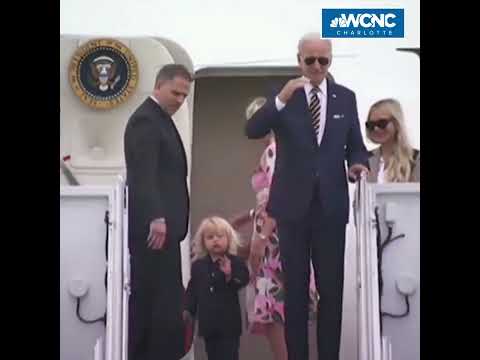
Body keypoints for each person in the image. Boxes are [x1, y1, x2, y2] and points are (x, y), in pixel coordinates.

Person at [245, 33, 369, 360]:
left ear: (330, 60)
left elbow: (356, 144)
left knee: (331, 293)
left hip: (330, 208)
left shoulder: (345, 97)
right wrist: (283, 98)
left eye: (323, 60)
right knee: (295, 294)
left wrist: (358, 164)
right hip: (291, 208)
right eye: (309, 60)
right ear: (298, 59)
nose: (316, 66)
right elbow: (253, 129)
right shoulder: (284, 97)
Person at [230, 97, 318, 360]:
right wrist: (248, 217)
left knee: (276, 317)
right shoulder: (286, 149)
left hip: (276, 243)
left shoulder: (275, 150)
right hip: (285, 234)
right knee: (278, 316)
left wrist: (261, 237)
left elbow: (279, 196)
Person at [124, 64, 193, 360]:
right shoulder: (146, 121)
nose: (179, 99)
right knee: (154, 305)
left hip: (167, 233)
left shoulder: (160, 120)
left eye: (184, 95)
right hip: (154, 233)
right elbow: (143, 173)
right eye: (175, 92)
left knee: (166, 304)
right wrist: (156, 216)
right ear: (158, 86)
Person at [183, 216, 250, 360]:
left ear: (228, 238)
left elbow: (243, 279)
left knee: (229, 355)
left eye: (220, 236)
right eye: (210, 237)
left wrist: (229, 275)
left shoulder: (235, 261)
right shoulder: (198, 266)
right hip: (209, 325)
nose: (215, 240)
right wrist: (188, 309)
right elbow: (193, 289)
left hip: (229, 326)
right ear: (203, 241)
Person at [365, 98, 420, 183]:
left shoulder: (415, 159)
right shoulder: (365, 159)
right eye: (371, 125)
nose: (376, 129)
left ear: (396, 123)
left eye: (382, 123)